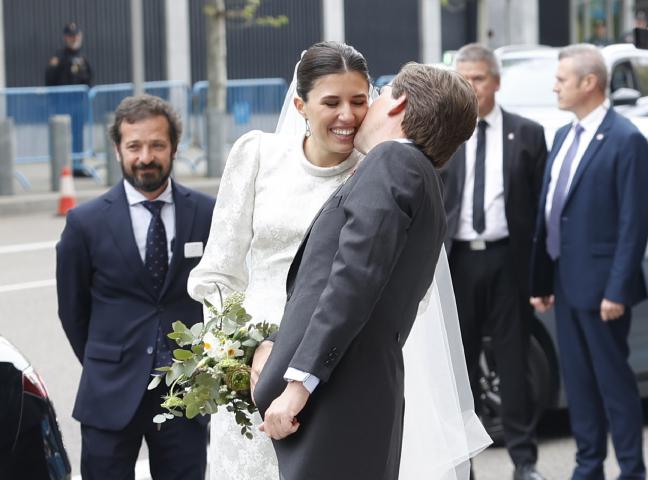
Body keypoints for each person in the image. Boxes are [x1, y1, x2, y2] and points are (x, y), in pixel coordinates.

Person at [188, 42, 489, 480]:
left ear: (393, 103)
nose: (348, 115)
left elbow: (357, 283)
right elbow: (219, 273)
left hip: (316, 383)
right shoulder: (415, 174)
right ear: (301, 106)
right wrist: (238, 354)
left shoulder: (386, 165)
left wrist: (297, 380)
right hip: (261, 372)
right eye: (331, 102)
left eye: (363, 99)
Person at [56, 95, 214, 480]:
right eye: (134, 146)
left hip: (184, 394)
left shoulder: (208, 213)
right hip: (109, 391)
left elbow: (220, 295)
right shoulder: (85, 223)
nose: (146, 157)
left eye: (157, 145)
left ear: (174, 147)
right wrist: (108, 361)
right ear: (117, 150)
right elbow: (73, 311)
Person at [529, 44, 648, 480]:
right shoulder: (564, 136)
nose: (555, 87)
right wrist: (543, 279)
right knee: (579, 384)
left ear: (589, 83)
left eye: (561, 79)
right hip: (566, 282)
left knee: (613, 384)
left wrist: (617, 289)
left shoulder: (626, 139)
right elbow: (552, 211)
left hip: (604, 290)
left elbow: (634, 223)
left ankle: (632, 471)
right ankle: (588, 467)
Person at [441, 43, 547, 480]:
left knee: (513, 363)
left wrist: (542, 275)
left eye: (478, 79)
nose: (470, 87)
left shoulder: (528, 133)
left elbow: (540, 210)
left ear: (496, 82)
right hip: (458, 262)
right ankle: (462, 465)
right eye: (462, 79)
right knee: (458, 367)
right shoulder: (444, 132)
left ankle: (524, 462)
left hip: (508, 261)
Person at [45, 21, 93, 176]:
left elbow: (89, 79)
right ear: (65, 37)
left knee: (78, 135)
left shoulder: (82, 58)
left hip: (78, 104)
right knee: (62, 135)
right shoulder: (58, 57)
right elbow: (50, 79)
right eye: (71, 36)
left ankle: (78, 166)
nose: (74, 39)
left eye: (76, 36)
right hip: (62, 104)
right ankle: (62, 168)